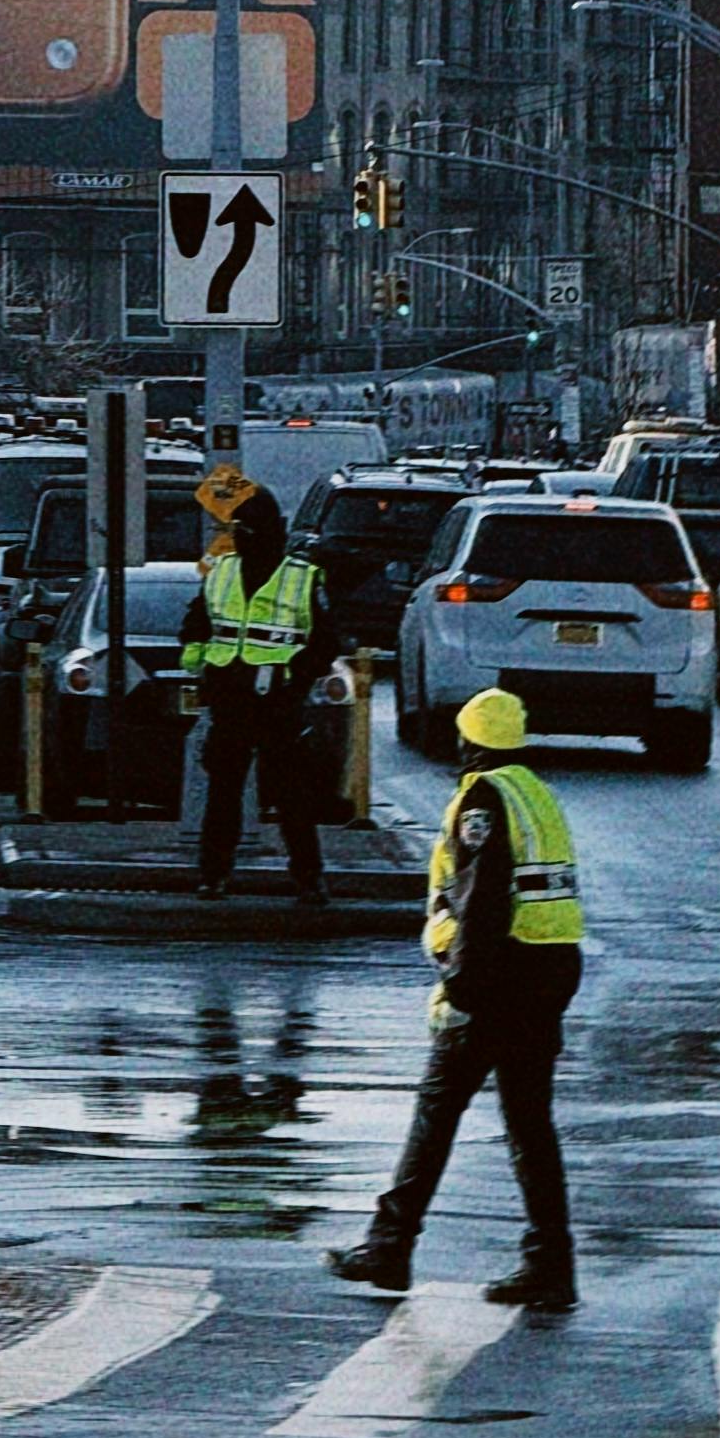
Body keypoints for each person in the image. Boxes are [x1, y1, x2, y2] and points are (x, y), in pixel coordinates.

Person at [328, 685, 581, 1313]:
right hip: (549, 969)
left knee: (436, 1113)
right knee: (529, 1123)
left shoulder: (482, 799)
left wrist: (461, 989)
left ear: (470, 742)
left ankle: (389, 1248)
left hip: (499, 975)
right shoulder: (535, 791)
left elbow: (480, 901)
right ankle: (551, 1264)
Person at [179, 466, 335, 906]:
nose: (241, 536)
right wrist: (202, 670)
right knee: (224, 794)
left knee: (291, 799)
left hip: (278, 705)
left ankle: (308, 879)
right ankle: (213, 876)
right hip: (230, 698)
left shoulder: (302, 577)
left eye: (248, 528)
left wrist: (294, 680)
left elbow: (326, 643)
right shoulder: (222, 572)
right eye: (237, 527)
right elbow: (195, 626)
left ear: (272, 531)